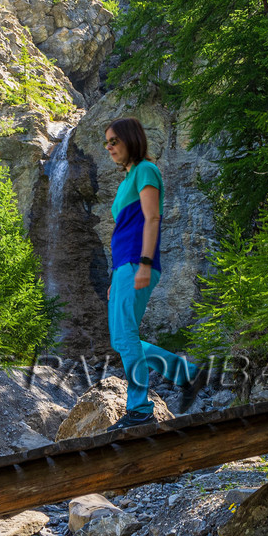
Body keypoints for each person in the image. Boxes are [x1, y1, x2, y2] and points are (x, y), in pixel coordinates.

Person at [102, 117, 204, 430]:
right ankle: (185, 373)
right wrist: (113, 277)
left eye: (114, 141)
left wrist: (145, 263)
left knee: (127, 337)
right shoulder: (127, 179)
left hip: (137, 262)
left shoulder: (146, 170)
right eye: (106, 142)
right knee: (122, 340)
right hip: (123, 267)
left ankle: (140, 409)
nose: (109, 147)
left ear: (131, 140)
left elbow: (152, 218)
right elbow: (123, 228)